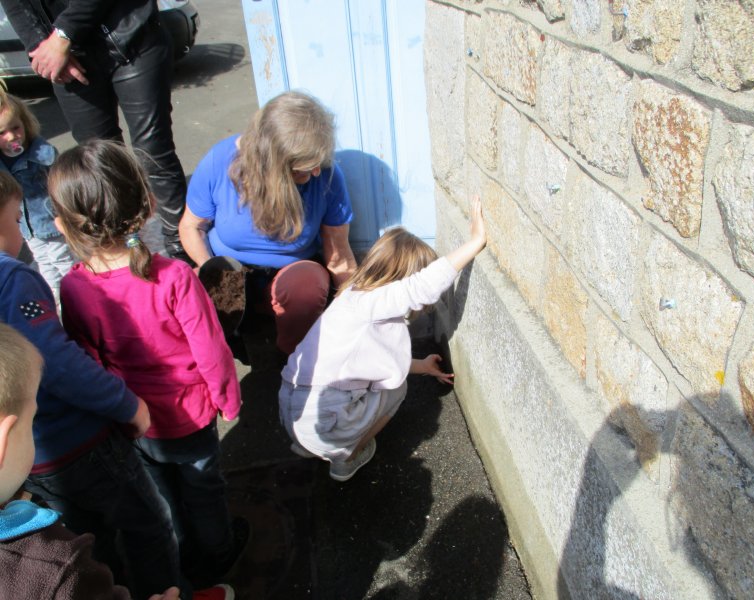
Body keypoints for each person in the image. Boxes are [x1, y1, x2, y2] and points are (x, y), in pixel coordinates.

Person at [48, 140, 246, 591]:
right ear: (149, 205)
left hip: (131, 420)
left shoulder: (74, 287)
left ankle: (180, 559)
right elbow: (211, 349)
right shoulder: (174, 277)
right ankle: (219, 552)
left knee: (159, 496)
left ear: (64, 225)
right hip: (190, 414)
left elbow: (87, 359)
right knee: (204, 487)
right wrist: (228, 399)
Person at [0, 169, 188, 599]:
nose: (20, 232)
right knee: (149, 522)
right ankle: (171, 590)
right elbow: (57, 359)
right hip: (77, 440)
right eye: (13, 219)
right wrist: (126, 404)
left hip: (33, 461)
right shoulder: (12, 279)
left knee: (89, 536)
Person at [279, 197, 487, 482]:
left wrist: (422, 366)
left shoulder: (352, 298)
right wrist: (475, 242)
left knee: (356, 392)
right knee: (396, 390)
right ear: (402, 279)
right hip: (326, 420)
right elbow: (422, 287)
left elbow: (373, 361)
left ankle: (312, 444)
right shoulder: (374, 303)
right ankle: (346, 457)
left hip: (292, 412)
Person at [0, 322, 187, 600]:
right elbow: (56, 353)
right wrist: (126, 405)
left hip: (54, 474)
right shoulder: (60, 570)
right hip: (85, 447)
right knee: (149, 524)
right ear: (3, 443)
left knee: (97, 537)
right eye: (32, 420)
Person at [0, 0, 189, 261]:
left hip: (127, 34)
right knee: (99, 164)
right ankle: (125, 251)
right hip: (65, 56)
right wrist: (41, 46)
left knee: (153, 151)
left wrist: (64, 35)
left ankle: (182, 248)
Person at [179, 90, 357, 356]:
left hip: (288, 275)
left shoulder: (327, 176)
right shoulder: (220, 161)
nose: (316, 171)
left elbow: (339, 257)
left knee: (307, 284)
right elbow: (191, 226)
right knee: (185, 287)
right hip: (230, 271)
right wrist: (212, 271)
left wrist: (359, 306)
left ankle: (295, 357)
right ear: (274, 165)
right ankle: (222, 354)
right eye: (305, 166)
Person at [0, 85, 73, 301]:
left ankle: (74, 295)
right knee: (43, 262)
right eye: (1, 133)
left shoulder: (42, 153)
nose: (11, 137)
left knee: (63, 260)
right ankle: (54, 297)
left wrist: (66, 213)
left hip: (51, 221)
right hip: (26, 227)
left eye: (16, 127)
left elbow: (61, 184)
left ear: (25, 123)